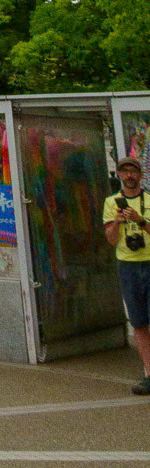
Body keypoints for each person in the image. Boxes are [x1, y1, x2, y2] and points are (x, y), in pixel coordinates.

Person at [104, 154, 150, 396]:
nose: (129, 175)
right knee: (139, 321)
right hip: (128, 266)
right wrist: (119, 222)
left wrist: (141, 221)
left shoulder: (149, 199)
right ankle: (149, 374)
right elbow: (111, 240)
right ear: (119, 175)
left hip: (149, 262)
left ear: (140, 175)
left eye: (133, 171)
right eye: (125, 171)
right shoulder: (112, 202)